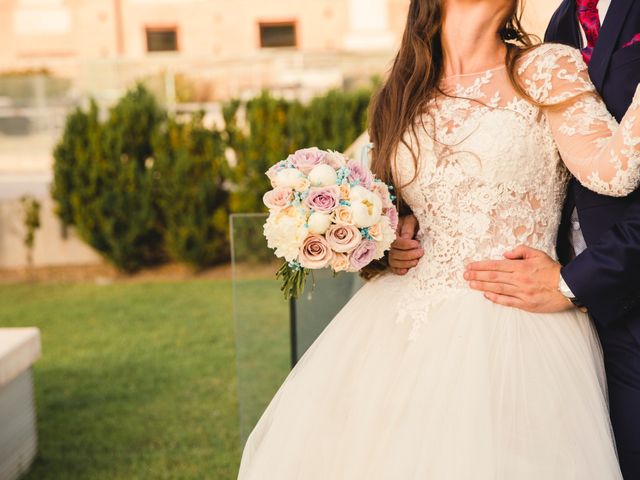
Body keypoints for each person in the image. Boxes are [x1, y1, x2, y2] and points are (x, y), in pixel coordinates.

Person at [239, 0, 640, 477]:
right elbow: (394, 206)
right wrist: (384, 242)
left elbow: (613, 173)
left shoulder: (549, 66)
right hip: (399, 328)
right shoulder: (400, 92)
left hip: (515, 324)